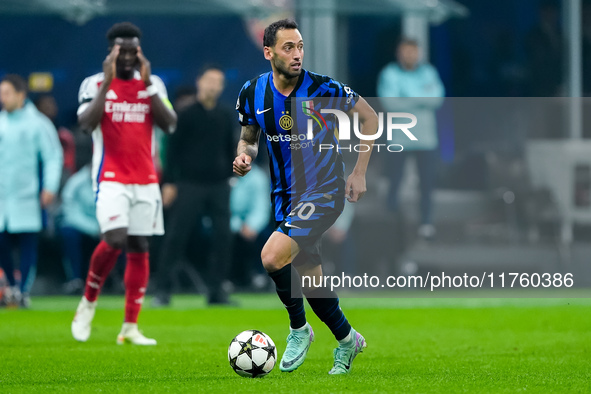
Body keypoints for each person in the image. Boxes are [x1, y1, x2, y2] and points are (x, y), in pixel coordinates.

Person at [233, 19, 378, 375]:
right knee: (311, 283)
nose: (297, 54)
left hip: (325, 191)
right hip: (284, 197)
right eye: (288, 47)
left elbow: (370, 118)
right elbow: (249, 134)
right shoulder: (253, 92)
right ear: (268, 52)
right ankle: (347, 340)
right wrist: (245, 155)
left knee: (271, 256)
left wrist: (359, 172)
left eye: (300, 47)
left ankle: (299, 329)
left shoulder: (323, 88)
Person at [71, 22, 177, 345]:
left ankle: (130, 327)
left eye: (133, 50)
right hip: (110, 176)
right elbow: (86, 125)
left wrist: (147, 85)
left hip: (145, 178)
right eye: (122, 50)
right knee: (115, 238)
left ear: (140, 51)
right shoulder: (94, 83)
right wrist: (107, 85)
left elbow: (169, 124)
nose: (128, 57)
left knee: (140, 245)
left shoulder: (154, 83)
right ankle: (88, 303)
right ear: (111, 51)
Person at [153, 66, 235, 306]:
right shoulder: (185, 114)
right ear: (199, 82)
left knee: (223, 237)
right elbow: (172, 152)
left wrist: (231, 175)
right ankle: (163, 290)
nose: (213, 86)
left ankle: (216, 291)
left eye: (218, 82)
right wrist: (169, 182)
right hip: (189, 183)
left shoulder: (225, 114)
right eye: (209, 80)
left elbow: (229, 147)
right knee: (177, 236)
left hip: (219, 184)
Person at [0, 74, 63, 308]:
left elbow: (52, 156)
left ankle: (23, 290)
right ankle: (11, 286)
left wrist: (50, 186)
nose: (2, 98)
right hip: (2, 197)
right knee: (2, 243)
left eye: (6, 93)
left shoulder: (38, 123)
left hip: (27, 195)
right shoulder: (1, 122)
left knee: (27, 243)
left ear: (20, 95)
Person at [377, 38, 445, 241]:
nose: (409, 55)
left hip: (426, 139)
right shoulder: (389, 73)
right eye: (405, 51)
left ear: (418, 53)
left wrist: (405, 96)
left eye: (413, 51)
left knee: (426, 184)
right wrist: (421, 98)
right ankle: (390, 224)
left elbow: (437, 99)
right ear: (399, 53)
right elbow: (390, 104)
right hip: (400, 137)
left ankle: (426, 224)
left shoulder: (429, 72)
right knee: (395, 181)